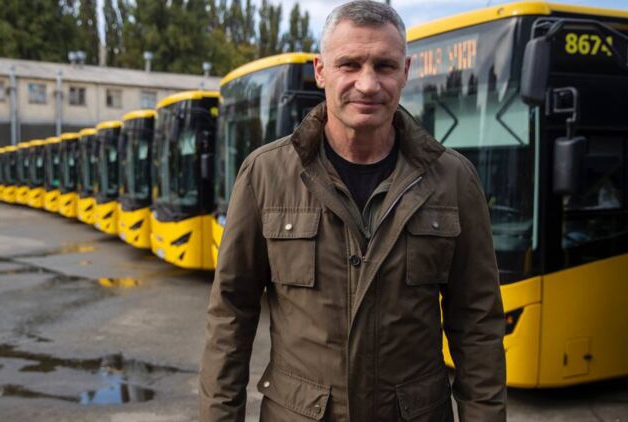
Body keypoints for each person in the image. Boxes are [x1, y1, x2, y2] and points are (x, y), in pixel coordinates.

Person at [199, 1, 506, 421]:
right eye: (349, 64)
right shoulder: (265, 175)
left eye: (384, 66)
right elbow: (230, 316)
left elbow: (477, 324)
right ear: (321, 70)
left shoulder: (453, 179)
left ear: (405, 71)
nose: (368, 84)